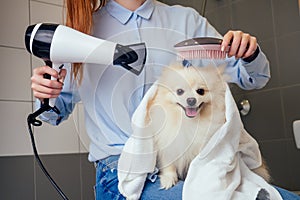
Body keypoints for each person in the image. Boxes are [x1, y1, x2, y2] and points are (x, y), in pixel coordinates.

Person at [30, 0, 300, 199]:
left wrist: (248, 52)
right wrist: (46, 94)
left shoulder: (186, 20)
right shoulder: (80, 33)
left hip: (194, 164)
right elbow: (52, 114)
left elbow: (252, 78)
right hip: (122, 172)